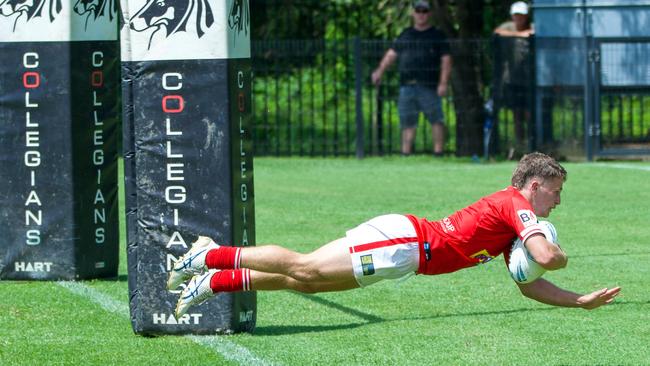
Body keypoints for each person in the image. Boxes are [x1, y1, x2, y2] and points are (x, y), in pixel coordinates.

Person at [169, 152, 621, 318]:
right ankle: (211, 255)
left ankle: (214, 281)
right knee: (304, 265)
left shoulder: (512, 227)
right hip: (403, 240)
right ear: (536, 185)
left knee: (303, 281)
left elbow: (530, 284)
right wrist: (553, 249)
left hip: (406, 256)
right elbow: (544, 254)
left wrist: (579, 299)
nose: (557, 203)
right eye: (555, 193)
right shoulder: (517, 206)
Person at [371, 0, 452, 157]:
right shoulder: (405, 34)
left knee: (436, 119)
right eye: (418, 11)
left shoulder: (437, 36)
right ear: (413, 13)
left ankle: (438, 153)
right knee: (407, 121)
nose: (421, 14)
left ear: (429, 14)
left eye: (424, 11)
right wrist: (379, 71)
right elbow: (391, 54)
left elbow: (446, 60)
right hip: (407, 85)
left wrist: (443, 83)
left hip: (429, 85)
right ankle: (406, 153)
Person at [494, 1, 535, 159]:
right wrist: (520, 35)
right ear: (512, 15)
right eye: (516, 15)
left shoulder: (533, 27)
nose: (519, 18)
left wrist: (527, 34)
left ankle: (532, 147)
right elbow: (497, 32)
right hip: (512, 81)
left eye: (522, 15)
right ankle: (520, 146)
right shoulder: (508, 27)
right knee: (517, 116)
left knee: (529, 115)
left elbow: (534, 32)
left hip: (530, 81)